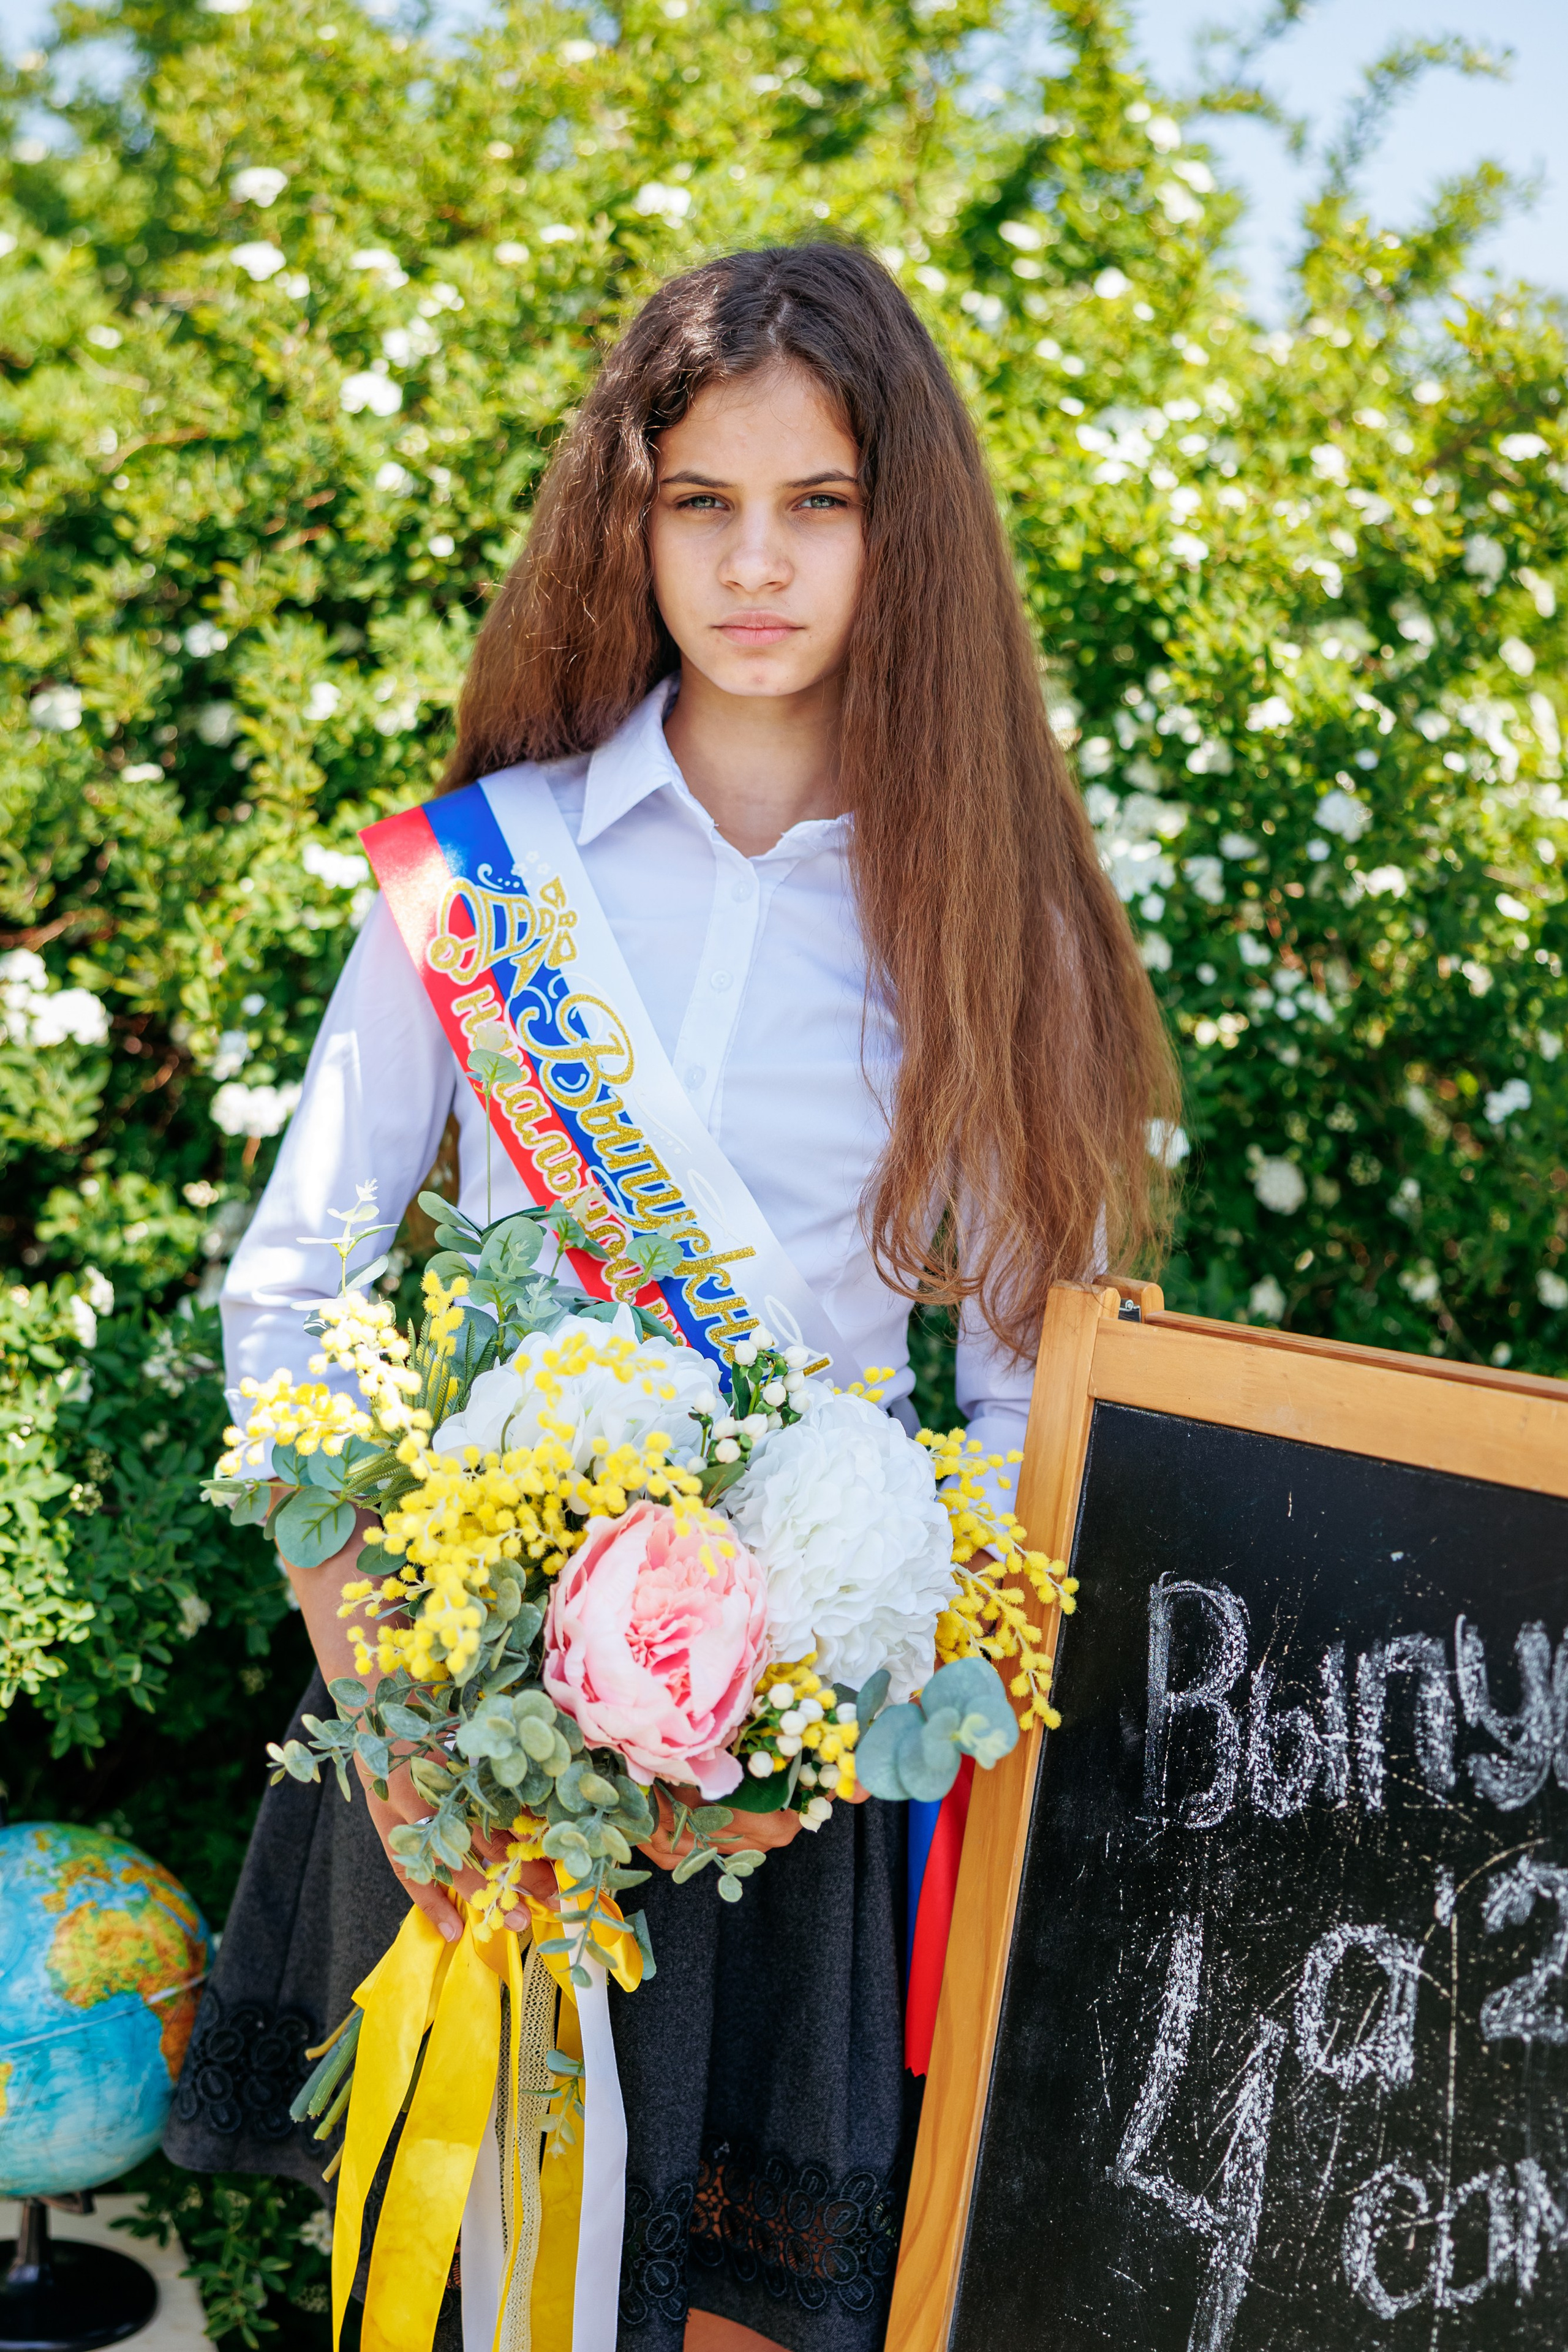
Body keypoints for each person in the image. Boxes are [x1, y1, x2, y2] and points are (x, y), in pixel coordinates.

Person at [166, 243, 1176, 2352]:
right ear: (626, 519)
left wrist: (816, 1748)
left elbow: (1020, 1407)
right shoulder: (485, 872)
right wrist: (386, 1714)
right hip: (441, 1741)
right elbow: (291, 1291)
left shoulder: (988, 928)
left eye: (820, 504)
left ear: (906, 535)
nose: (757, 563)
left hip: (770, 1799)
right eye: (702, 500)